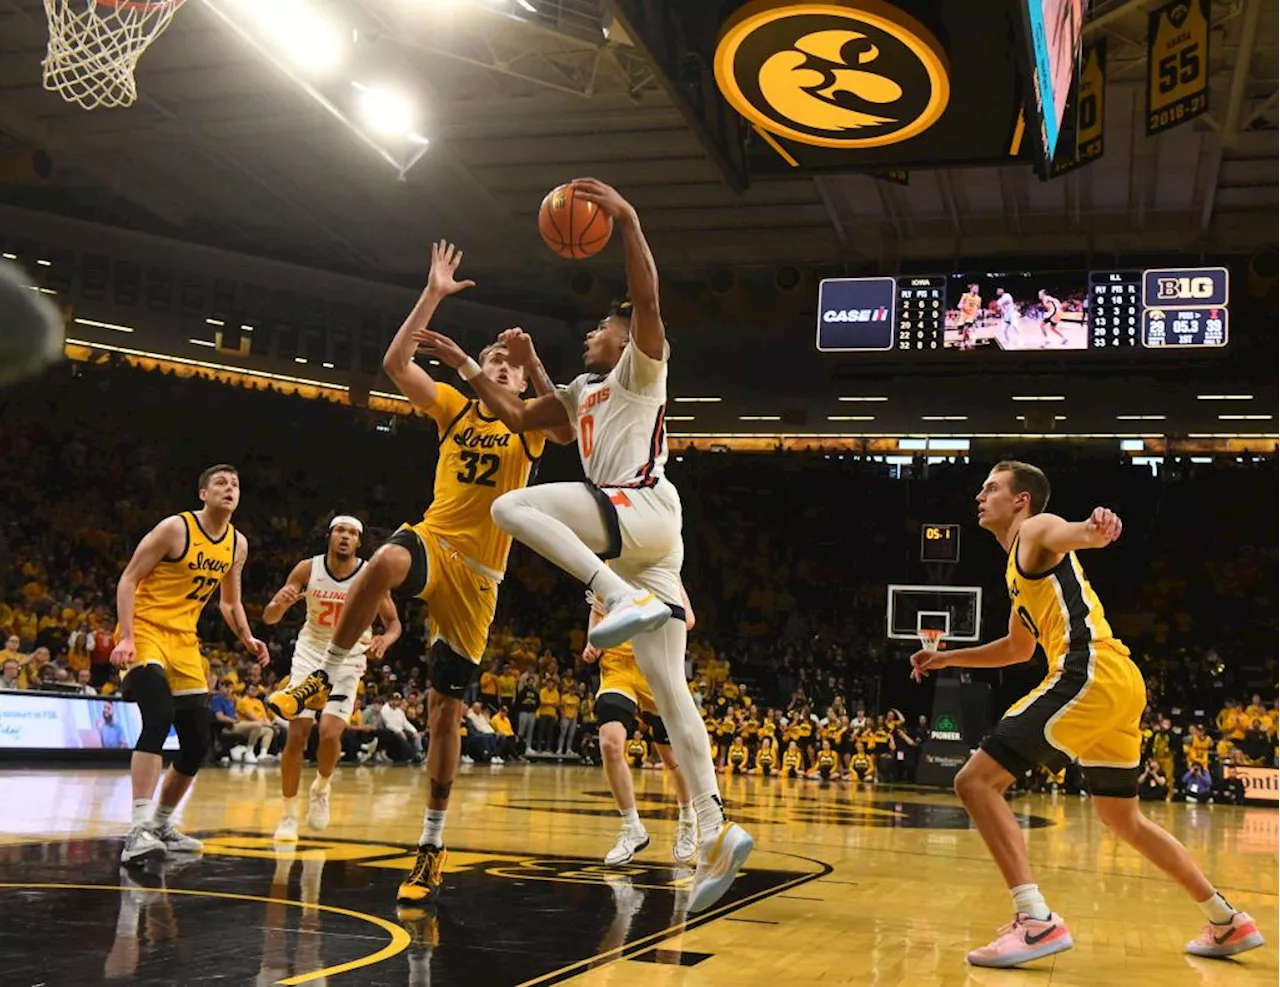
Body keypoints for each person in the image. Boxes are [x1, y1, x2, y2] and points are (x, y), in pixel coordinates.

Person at [416, 180, 752, 914]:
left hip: (642, 511)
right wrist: (470, 366)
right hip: (647, 540)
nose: (589, 336)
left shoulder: (640, 367)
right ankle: (717, 824)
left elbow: (648, 302)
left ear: (624, 340)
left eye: (599, 328)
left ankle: (614, 591)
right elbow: (520, 412)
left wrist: (628, 218)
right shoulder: (580, 391)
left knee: (512, 505)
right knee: (670, 690)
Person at [266, 241, 571, 910]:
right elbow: (395, 362)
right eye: (492, 359)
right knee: (385, 558)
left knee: (444, 717)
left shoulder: (528, 428)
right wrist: (432, 292)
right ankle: (326, 670)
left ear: (515, 382)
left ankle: (431, 845)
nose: (497, 368)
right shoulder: (455, 411)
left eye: (505, 366)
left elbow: (569, 423)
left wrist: (533, 362)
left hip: (480, 576)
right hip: (435, 538)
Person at [910, 460, 1265, 967]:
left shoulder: (1034, 530)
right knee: (1123, 818)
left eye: (991, 488)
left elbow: (1068, 532)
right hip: (1120, 682)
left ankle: (1035, 921)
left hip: (1088, 671)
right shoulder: (1018, 565)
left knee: (975, 782)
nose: (980, 496)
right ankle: (1227, 919)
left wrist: (1094, 529)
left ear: (1021, 501)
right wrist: (946, 656)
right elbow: (1015, 648)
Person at [111, 464, 270, 865]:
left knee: (198, 742)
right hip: (145, 630)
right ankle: (138, 828)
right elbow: (128, 579)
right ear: (203, 493)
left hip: (184, 642)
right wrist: (127, 636)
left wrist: (247, 637)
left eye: (235, 484)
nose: (229, 489)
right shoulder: (174, 529)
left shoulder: (237, 544)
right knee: (159, 714)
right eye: (220, 483)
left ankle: (162, 825)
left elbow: (229, 603)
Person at [263, 516, 401, 842]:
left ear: (358, 542)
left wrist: (385, 639)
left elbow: (394, 624)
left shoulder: (370, 574)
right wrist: (278, 605)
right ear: (329, 536)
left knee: (328, 733)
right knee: (297, 734)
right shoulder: (306, 569)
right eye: (340, 531)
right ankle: (287, 816)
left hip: (349, 658)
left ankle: (322, 787)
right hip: (310, 653)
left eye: (352, 533)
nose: (345, 537)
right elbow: (269, 617)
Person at [957, 284, 981, 349]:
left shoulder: (978, 298)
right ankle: (966, 341)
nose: (977, 290)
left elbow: (978, 308)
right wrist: (960, 306)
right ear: (971, 289)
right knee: (960, 332)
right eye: (975, 288)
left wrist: (977, 314)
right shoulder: (965, 295)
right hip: (963, 315)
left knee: (966, 328)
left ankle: (963, 342)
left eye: (977, 288)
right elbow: (959, 304)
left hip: (971, 316)